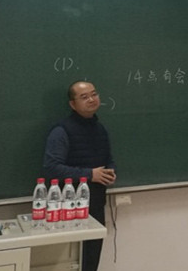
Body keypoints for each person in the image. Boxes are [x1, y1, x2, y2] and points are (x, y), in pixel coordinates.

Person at [44, 81, 116, 271]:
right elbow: (52, 168)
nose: (91, 99)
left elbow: (108, 159)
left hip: (96, 204)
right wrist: (90, 174)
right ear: (73, 104)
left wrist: (110, 171)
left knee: (91, 261)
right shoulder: (61, 130)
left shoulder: (100, 129)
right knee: (70, 263)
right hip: (69, 209)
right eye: (84, 97)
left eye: (94, 94)